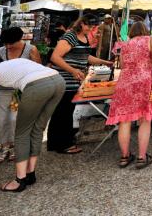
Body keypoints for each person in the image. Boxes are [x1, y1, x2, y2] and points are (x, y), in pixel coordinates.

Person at [0, 53, 65, 192]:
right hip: (58, 81)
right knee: (37, 128)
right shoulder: (14, 62)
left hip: (37, 87)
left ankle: (20, 180)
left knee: (22, 133)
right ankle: (30, 174)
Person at [47, 15, 113, 154]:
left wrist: (104, 62)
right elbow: (55, 57)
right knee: (63, 112)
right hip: (63, 79)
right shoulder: (70, 36)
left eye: (93, 27)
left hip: (73, 81)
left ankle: (57, 142)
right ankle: (62, 144)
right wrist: (72, 70)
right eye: (89, 26)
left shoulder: (85, 37)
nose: (91, 29)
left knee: (65, 111)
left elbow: (86, 56)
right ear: (82, 24)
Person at [106, 22, 152, 168]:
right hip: (143, 82)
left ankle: (125, 157)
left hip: (125, 83)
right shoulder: (149, 39)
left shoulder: (125, 44)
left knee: (124, 121)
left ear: (131, 32)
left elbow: (124, 64)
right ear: (145, 30)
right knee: (145, 120)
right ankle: (141, 157)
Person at [0, 27, 42, 164]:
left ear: (19, 40)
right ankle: (4, 147)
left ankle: (15, 146)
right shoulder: (1, 51)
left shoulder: (30, 49)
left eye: (11, 43)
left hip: (21, 90)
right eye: (6, 43)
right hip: (1, 90)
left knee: (16, 119)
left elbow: (37, 69)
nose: (8, 46)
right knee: (1, 120)